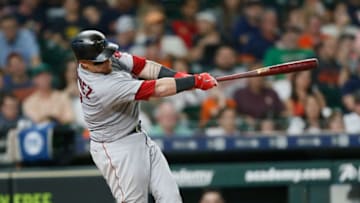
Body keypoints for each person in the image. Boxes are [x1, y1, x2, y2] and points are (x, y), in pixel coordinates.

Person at [70, 30, 217, 203]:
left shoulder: (103, 57)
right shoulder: (101, 87)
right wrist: (194, 82)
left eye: (107, 55)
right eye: (100, 61)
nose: (107, 61)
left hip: (139, 136)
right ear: (84, 64)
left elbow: (144, 67)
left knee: (171, 198)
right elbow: (157, 88)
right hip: (117, 148)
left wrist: (181, 78)